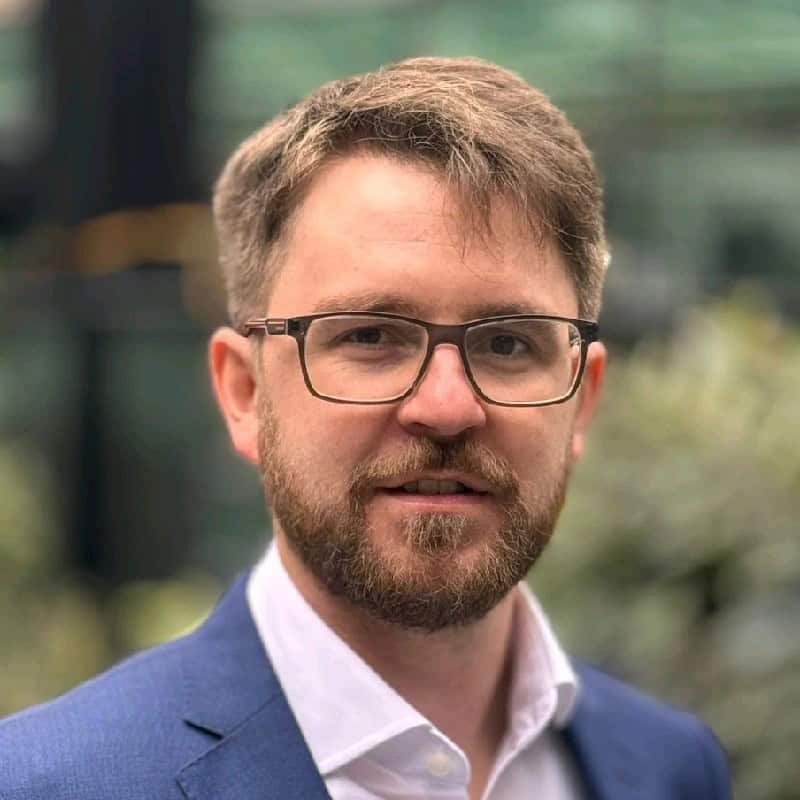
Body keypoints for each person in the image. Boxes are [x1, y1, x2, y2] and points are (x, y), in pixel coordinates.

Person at [0, 56, 731, 800]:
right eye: (371, 337)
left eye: (509, 343)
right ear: (244, 392)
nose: (446, 407)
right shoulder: (49, 784)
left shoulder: (669, 766)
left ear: (581, 399)